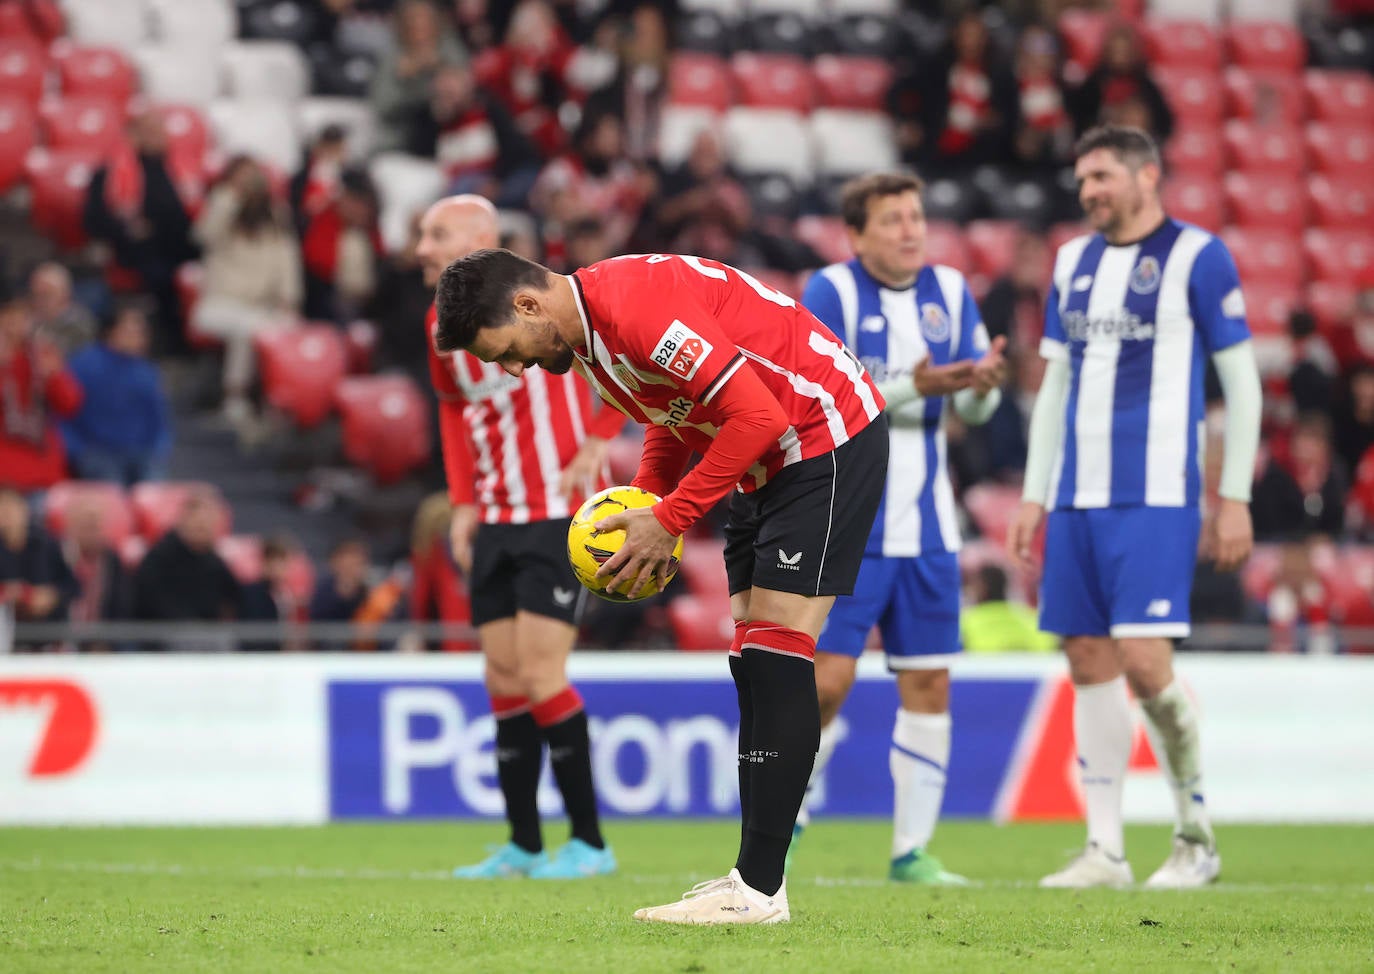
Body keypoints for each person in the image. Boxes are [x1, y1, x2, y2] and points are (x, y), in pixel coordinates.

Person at [433, 245, 889, 924]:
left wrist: (670, 517)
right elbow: (670, 421)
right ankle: (755, 880)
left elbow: (758, 415)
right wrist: (643, 506)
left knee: (776, 651)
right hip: (767, 461)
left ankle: (759, 890)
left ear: (527, 304)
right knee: (753, 664)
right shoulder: (593, 347)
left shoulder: (634, 309)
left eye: (504, 350)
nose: (512, 368)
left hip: (822, 432)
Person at [1006, 126, 1262, 889]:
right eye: (1083, 179)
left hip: (1156, 492)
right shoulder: (1072, 261)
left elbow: (1241, 384)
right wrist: (1033, 493)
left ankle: (1195, 833)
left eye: (1103, 176)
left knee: (1148, 664)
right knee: (1087, 658)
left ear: (1149, 175)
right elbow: (1052, 385)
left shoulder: (1198, 256)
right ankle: (1106, 851)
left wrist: (1236, 496)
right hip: (1078, 496)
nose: (1089, 191)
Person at [795, 171, 1008, 885]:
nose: (912, 229)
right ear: (856, 234)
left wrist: (981, 389)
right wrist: (919, 384)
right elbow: (820, 402)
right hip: (846, 521)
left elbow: (973, 410)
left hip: (928, 529)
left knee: (929, 686)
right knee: (825, 685)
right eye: (893, 220)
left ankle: (911, 852)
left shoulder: (949, 292)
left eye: (917, 216)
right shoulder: (830, 293)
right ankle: (781, 826)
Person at [415, 195, 626, 881]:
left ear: (481, 239)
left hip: (556, 516)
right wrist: (465, 503)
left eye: (436, 234)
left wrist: (597, 440)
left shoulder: (546, 301)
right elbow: (453, 415)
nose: (421, 247)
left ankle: (591, 843)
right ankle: (525, 844)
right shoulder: (438, 326)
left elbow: (623, 364)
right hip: (496, 518)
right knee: (502, 678)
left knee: (540, 674)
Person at [62, 303, 172, 486]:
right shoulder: (83, 365)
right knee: (112, 499)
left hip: (141, 453)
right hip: (98, 452)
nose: (137, 337)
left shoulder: (147, 372)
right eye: (130, 331)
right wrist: (78, 451)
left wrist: (159, 449)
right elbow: (64, 414)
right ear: (110, 331)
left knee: (154, 495)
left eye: (141, 332)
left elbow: (159, 419)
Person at [0, 295, 83, 493]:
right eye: (9, 318)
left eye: (22, 318)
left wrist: (55, 376)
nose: (15, 326)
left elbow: (70, 404)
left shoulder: (43, 355)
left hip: (40, 462)